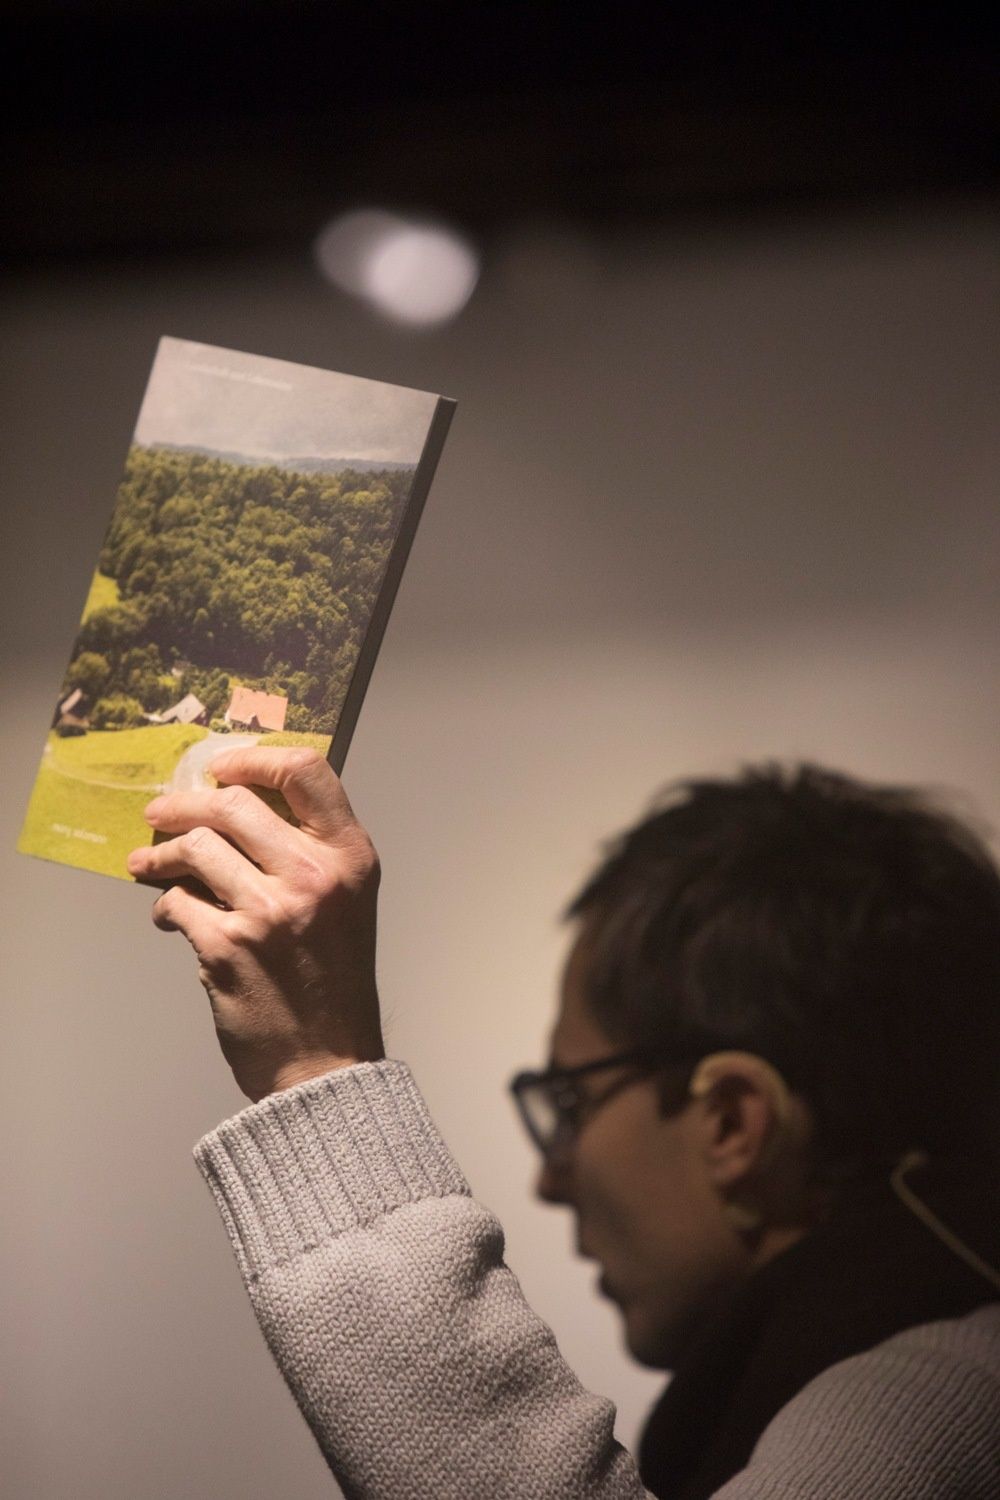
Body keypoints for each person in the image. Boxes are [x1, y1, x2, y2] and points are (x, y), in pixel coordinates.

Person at [128, 749, 1000, 1498]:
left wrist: (318, 1066)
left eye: (574, 1103)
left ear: (733, 1123)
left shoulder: (940, 1400)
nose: (549, 1180)